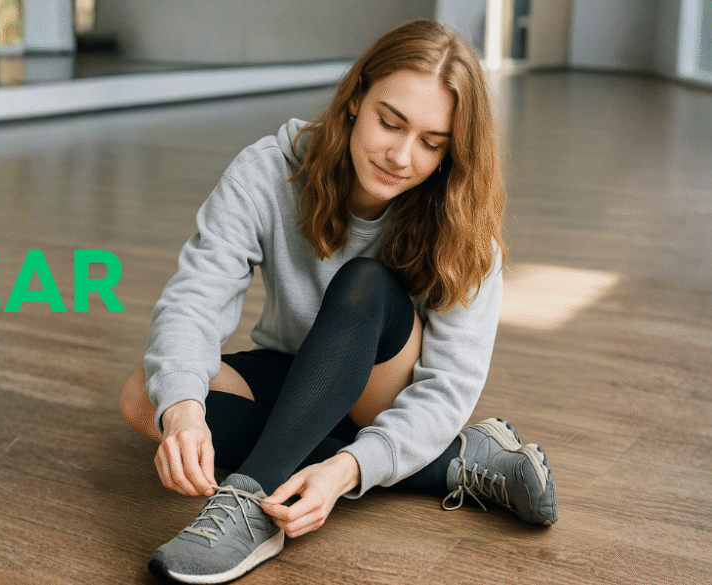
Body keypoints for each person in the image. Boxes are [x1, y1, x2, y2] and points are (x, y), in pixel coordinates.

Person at [118, 19, 558, 584]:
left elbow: (448, 387)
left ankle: (252, 506)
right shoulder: (267, 172)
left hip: (386, 389)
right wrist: (180, 411)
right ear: (354, 100)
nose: (401, 156)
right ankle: (456, 462)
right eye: (389, 123)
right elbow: (195, 300)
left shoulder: (464, 224)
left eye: (430, 143)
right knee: (145, 397)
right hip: (299, 364)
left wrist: (345, 471)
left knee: (365, 283)